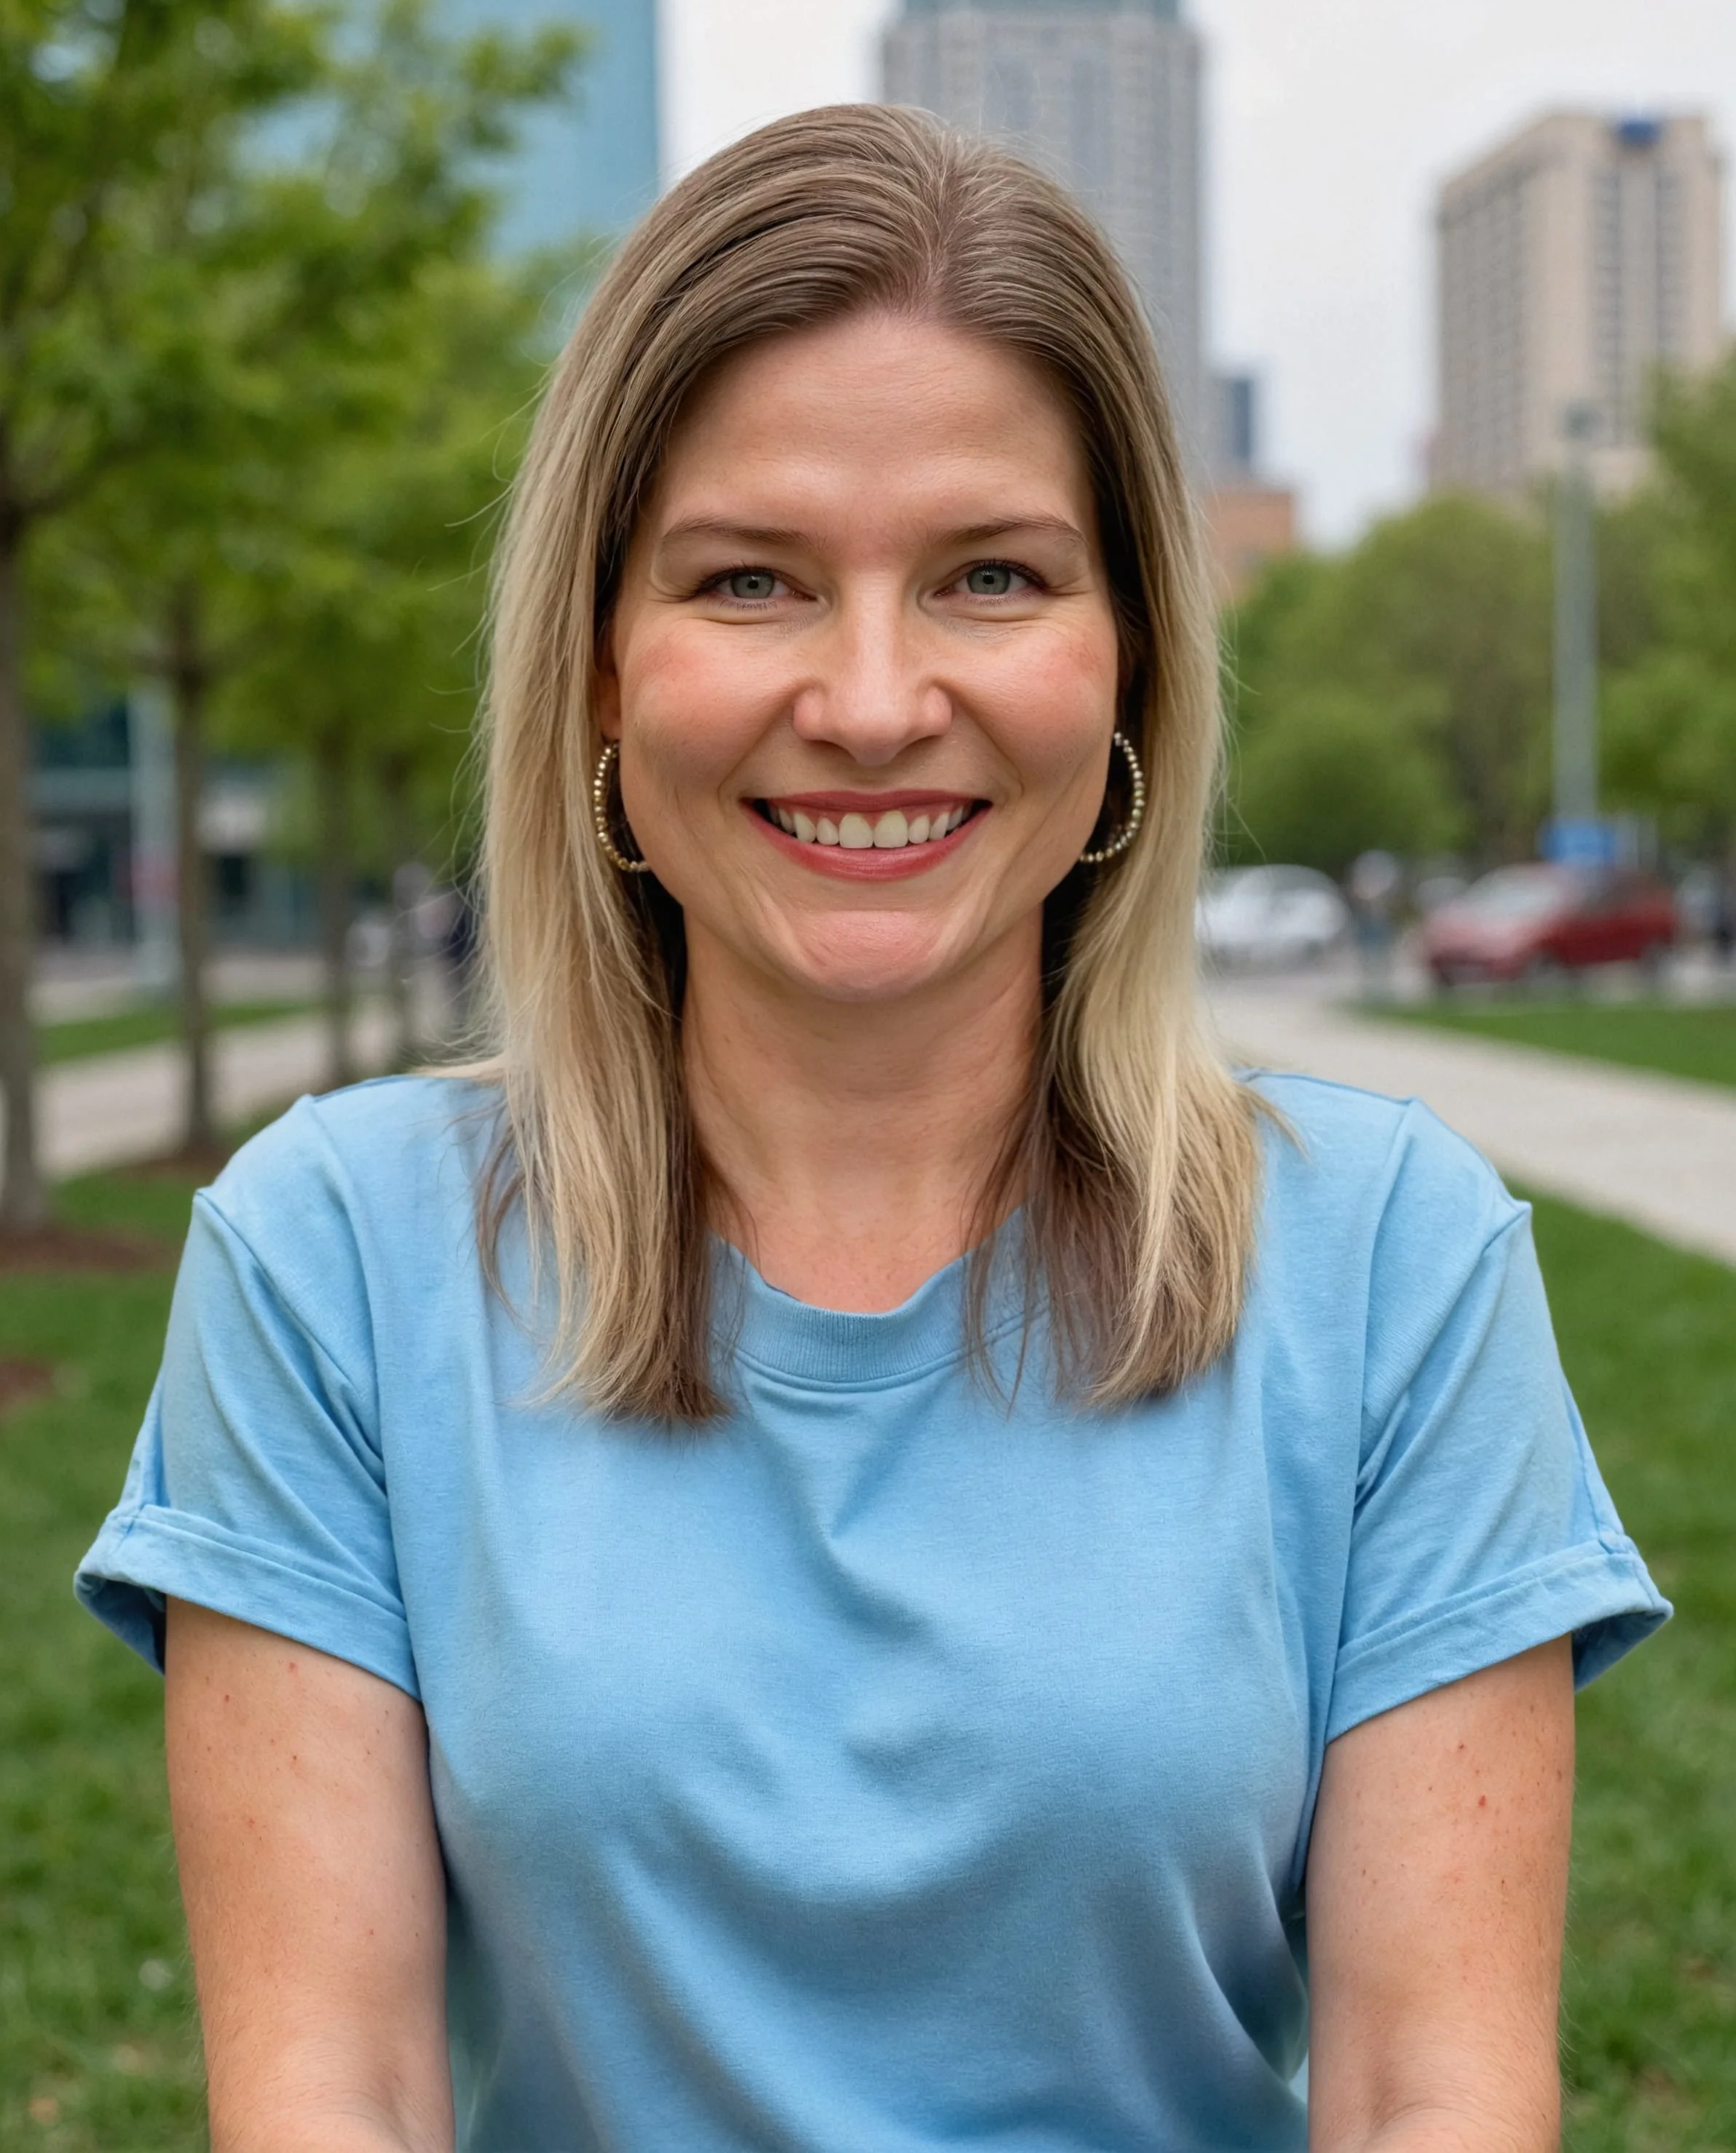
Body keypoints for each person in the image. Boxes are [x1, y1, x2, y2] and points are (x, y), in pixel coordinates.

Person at [78, 107, 1667, 2153]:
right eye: (751, 580)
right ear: (597, 674)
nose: (873, 696)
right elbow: (333, 2095)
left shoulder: (1397, 1258)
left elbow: (1429, 2097)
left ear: (1129, 678)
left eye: (989, 576)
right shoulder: (326, 1258)